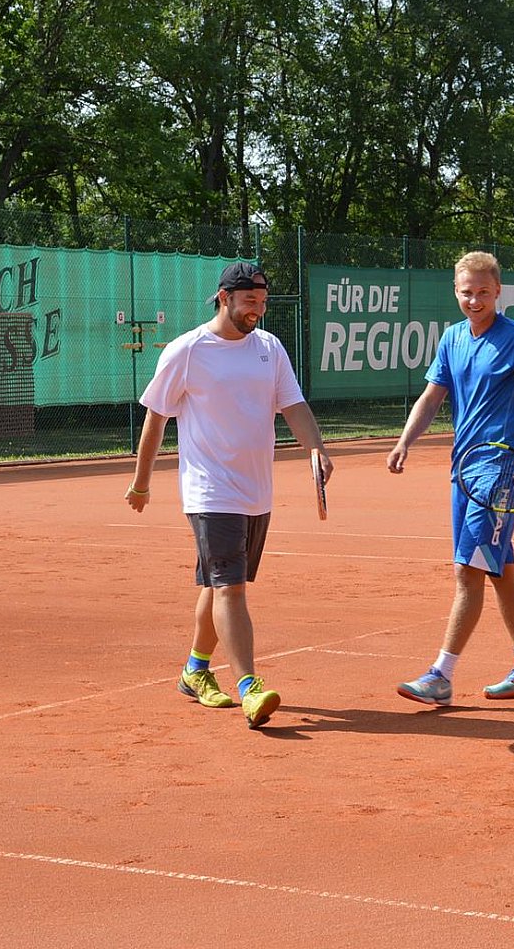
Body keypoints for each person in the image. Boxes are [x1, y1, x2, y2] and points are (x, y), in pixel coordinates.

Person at [126, 261, 332, 729]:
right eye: (249, 301)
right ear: (224, 298)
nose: (257, 309)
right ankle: (249, 687)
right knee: (230, 588)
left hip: (256, 492)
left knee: (216, 584)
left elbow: (293, 405)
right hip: (209, 490)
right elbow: (156, 418)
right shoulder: (187, 350)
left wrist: (316, 448)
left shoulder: (269, 348)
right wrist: (141, 482)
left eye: (262, 301)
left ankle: (195, 670)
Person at [387, 251, 514, 706]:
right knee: (500, 571)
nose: (475, 300)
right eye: (467, 292)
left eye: (483, 292)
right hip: (464, 470)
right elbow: (432, 397)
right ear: (456, 292)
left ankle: (441, 675)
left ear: (498, 292)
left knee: (468, 571)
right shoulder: (452, 338)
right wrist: (405, 440)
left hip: (502, 470)